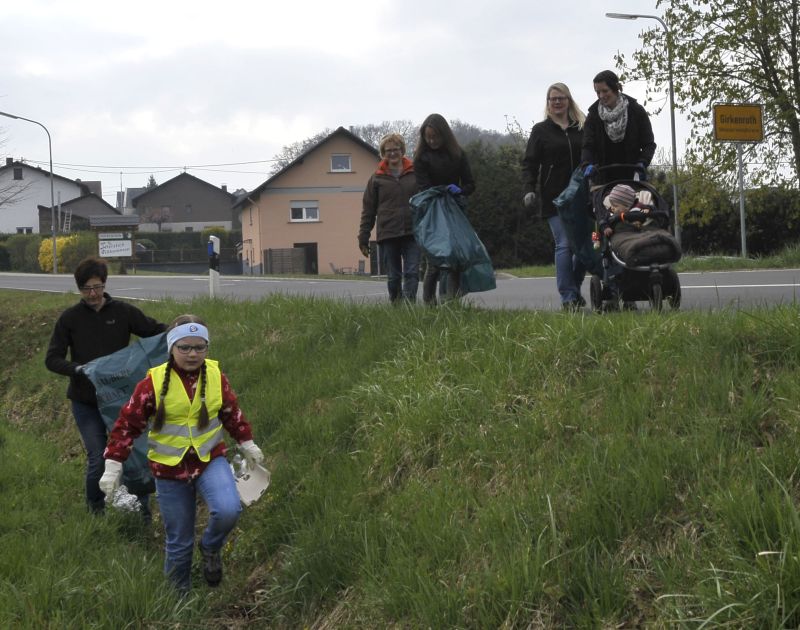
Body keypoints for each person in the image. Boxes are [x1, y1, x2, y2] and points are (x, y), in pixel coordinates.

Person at [99, 314, 265, 593]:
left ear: (207, 348)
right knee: (179, 542)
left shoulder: (215, 376)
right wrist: (113, 464)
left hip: (209, 459)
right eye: (184, 347)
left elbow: (231, 413)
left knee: (228, 510)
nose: (192, 354)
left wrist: (247, 442)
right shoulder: (151, 383)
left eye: (200, 347)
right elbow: (127, 424)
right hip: (168, 470)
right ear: (171, 348)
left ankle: (210, 547)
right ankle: (180, 603)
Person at [45, 256, 166, 517]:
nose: (92, 294)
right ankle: (96, 513)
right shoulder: (70, 318)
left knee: (134, 454)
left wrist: (185, 331)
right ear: (79, 289)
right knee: (98, 458)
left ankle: (142, 511)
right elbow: (52, 359)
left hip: (122, 400)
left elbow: (155, 332)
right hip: (85, 401)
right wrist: (78, 370)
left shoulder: (123, 312)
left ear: (105, 284)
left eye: (97, 287)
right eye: (86, 288)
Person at [522, 82, 587, 311]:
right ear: (548, 103)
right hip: (554, 197)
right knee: (565, 243)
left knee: (584, 246)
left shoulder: (582, 127)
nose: (557, 102)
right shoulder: (541, 131)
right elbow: (529, 163)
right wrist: (529, 188)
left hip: (581, 195)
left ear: (569, 100)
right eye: (553, 99)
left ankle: (575, 288)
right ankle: (568, 297)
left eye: (561, 98)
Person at [413, 113, 476, 305]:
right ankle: (430, 305)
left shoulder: (458, 155)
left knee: (455, 259)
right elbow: (424, 187)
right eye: (428, 137)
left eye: (435, 137)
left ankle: (452, 303)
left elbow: (470, 184)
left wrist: (459, 191)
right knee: (435, 260)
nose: (431, 141)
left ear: (444, 135)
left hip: (456, 210)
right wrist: (440, 192)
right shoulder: (421, 158)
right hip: (433, 212)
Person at [359, 132, 420, 302]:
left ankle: (409, 310)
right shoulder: (376, 178)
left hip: (412, 232)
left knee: (412, 273)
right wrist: (363, 237)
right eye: (388, 151)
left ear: (402, 150)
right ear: (383, 153)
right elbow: (368, 210)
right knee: (393, 277)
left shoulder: (415, 173)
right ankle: (397, 307)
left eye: (396, 149)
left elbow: (425, 201)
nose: (392, 153)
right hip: (388, 234)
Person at [581, 70, 657, 184]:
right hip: (603, 178)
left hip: (632, 176)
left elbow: (649, 144)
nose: (601, 96)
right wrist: (587, 164)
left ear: (616, 88)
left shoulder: (636, 111)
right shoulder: (593, 116)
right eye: (598, 92)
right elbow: (588, 146)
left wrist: (643, 162)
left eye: (605, 91)